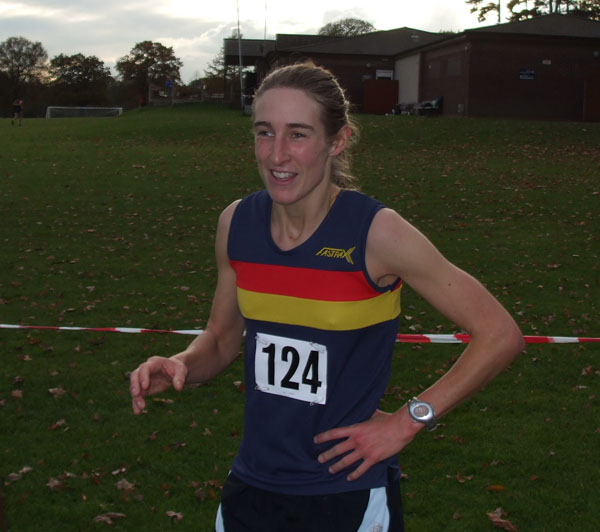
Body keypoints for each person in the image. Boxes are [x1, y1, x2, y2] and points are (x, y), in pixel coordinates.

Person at [129, 62, 524, 532]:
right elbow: (221, 338)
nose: (277, 154)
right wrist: (182, 365)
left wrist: (407, 421)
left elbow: (499, 334)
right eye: (264, 132)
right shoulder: (237, 224)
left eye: (298, 134)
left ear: (337, 141)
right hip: (251, 488)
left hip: (345, 494)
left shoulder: (375, 233)